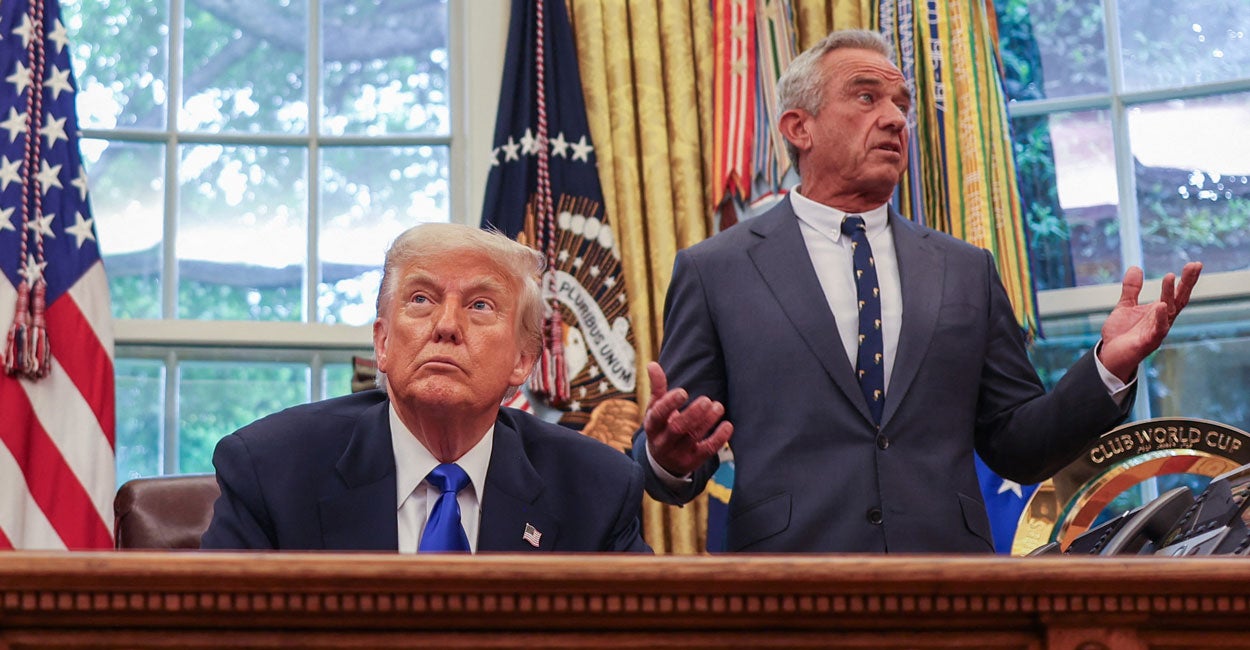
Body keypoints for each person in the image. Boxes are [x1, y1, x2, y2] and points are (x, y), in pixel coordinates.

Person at [632, 29, 1203, 553]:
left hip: (949, 585)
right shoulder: (716, 270)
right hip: (791, 587)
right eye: (866, 98)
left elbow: (1019, 446)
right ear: (799, 128)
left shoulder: (965, 269)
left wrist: (1108, 367)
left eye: (900, 105)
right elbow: (681, 449)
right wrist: (667, 460)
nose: (893, 119)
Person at [202, 223, 650, 553]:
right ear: (382, 343)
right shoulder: (271, 470)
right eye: (421, 299)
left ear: (523, 360)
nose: (447, 325)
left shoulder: (596, 489)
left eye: (480, 305)